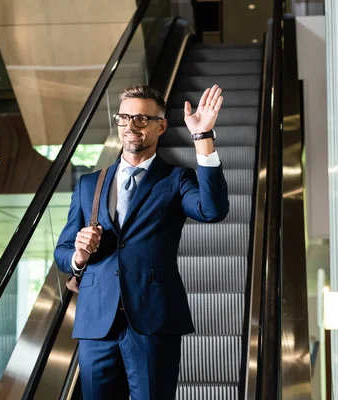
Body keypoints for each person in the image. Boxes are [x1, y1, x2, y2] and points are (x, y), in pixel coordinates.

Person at [54, 84, 229, 399]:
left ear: (160, 126)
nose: (131, 126)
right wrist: (78, 257)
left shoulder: (176, 179)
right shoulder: (89, 185)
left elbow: (212, 210)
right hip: (96, 325)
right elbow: (62, 252)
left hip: (152, 323)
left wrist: (203, 138)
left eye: (142, 119)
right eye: (124, 118)